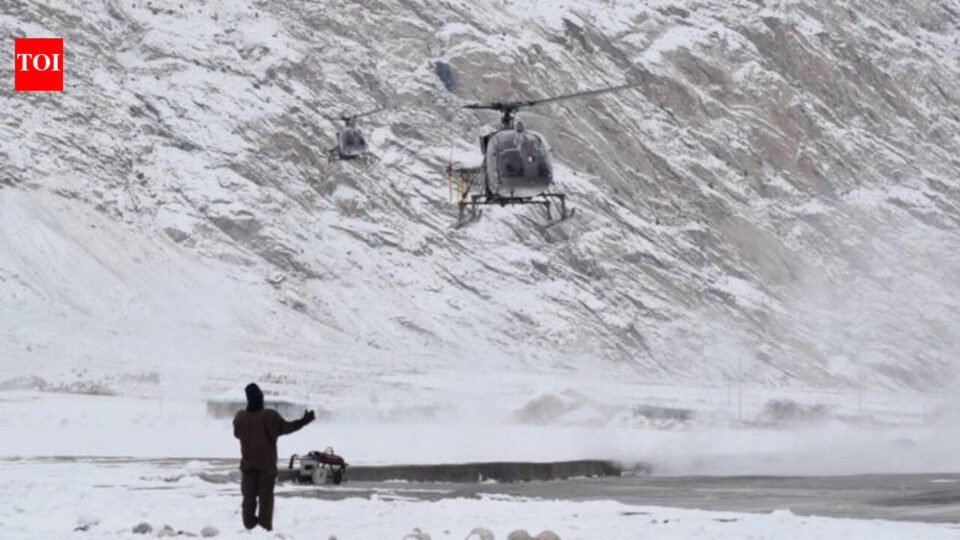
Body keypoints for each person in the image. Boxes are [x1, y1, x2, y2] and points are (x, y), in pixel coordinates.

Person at [233, 383, 315, 531]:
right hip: (266, 469)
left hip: (248, 469)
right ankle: (263, 532)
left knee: (249, 503)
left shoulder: (240, 418)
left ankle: (252, 529)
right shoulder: (268, 417)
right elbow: (287, 427)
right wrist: (303, 421)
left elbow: (237, 434)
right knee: (265, 502)